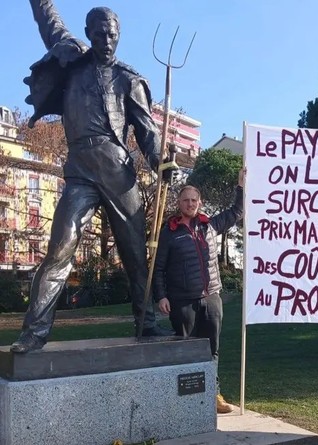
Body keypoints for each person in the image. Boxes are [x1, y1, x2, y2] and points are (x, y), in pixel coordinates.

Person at [11, 0, 174, 353]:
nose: (106, 41)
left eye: (112, 35)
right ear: (88, 34)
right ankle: (34, 333)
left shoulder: (129, 79)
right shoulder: (71, 59)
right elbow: (48, 19)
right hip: (81, 170)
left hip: (118, 170)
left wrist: (161, 162)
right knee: (60, 247)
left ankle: (147, 323)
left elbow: (147, 132)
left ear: (119, 35)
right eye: (99, 34)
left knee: (135, 254)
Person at [152, 170, 244, 414]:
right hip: (182, 301)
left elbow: (236, 212)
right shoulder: (169, 232)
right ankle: (187, 400)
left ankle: (213, 394)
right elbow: (158, 268)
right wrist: (161, 296)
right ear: (179, 203)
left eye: (194, 200)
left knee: (212, 349)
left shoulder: (209, 226)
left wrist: (241, 188)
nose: (190, 204)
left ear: (200, 202)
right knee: (185, 350)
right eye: (186, 200)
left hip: (212, 297)